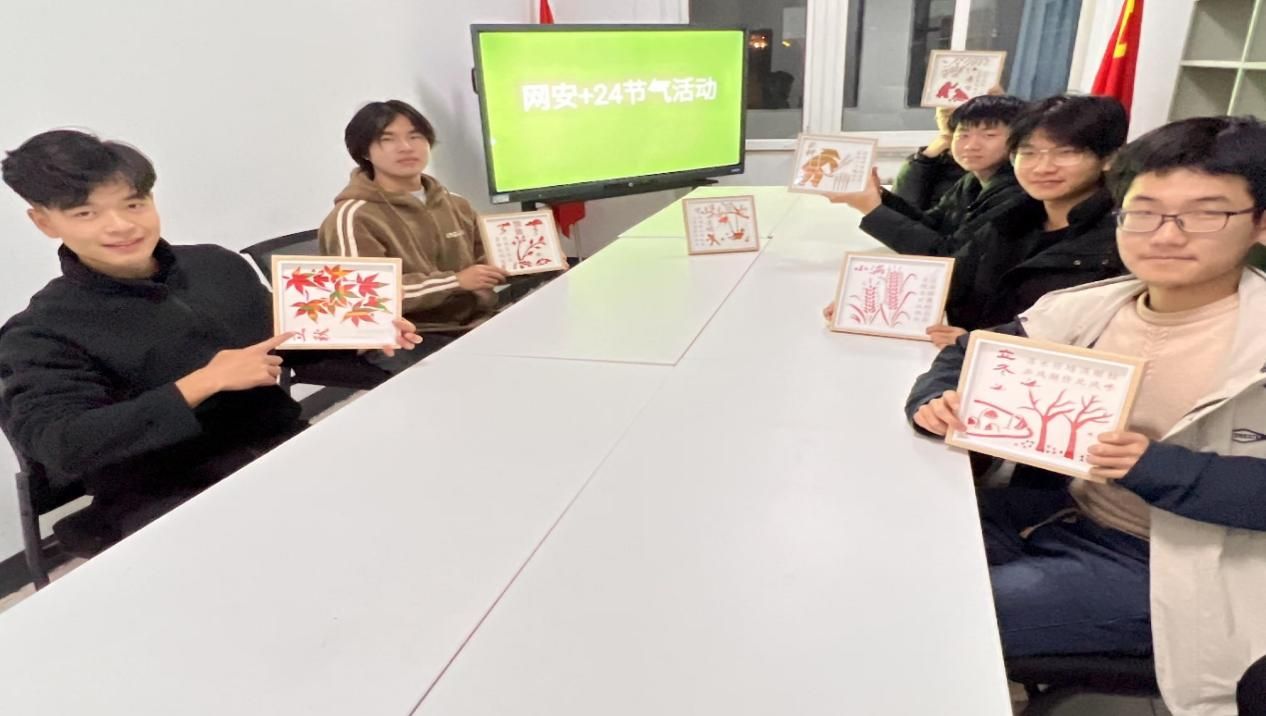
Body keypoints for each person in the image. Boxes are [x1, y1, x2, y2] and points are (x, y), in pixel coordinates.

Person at [906, 116, 1266, 715]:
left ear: (1260, 222)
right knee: (891, 549)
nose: (1166, 235)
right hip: (1067, 513)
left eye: (1205, 214)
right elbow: (966, 354)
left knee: (929, 612)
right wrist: (933, 402)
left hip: (1184, 569)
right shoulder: (1093, 307)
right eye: (1143, 212)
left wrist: (1155, 467)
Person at [0, 129, 420, 556]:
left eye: (134, 204)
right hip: (169, 496)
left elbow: (280, 340)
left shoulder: (214, 265)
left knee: (406, 504)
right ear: (45, 222)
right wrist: (202, 383)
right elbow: (61, 443)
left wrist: (360, 328)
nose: (122, 225)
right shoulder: (40, 331)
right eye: (86, 213)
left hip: (285, 449)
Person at [825, 95, 1129, 348]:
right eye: (1028, 153)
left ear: (1108, 158)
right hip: (959, 356)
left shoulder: (1122, 240)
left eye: (1066, 153)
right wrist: (872, 304)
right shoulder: (1015, 215)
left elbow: (1087, 343)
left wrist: (978, 343)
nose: (1042, 167)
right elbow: (957, 272)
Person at [318, 100, 506, 370]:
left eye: (415, 136)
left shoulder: (455, 203)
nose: (406, 147)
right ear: (365, 152)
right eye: (387, 139)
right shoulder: (353, 217)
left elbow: (486, 260)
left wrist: (529, 261)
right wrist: (455, 282)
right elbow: (365, 299)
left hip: (473, 321)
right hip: (406, 335)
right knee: (476, 378)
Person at [828, 94, 1029, 256]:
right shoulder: (972, 180)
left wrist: (871, 208)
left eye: (989, 135)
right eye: (963, 134)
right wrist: (879, 196)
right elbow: (934, 225)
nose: (970, 145)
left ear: (1020, 140)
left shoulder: (1017, 192)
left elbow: (950, 256)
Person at [890, 106, 967, 211]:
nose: (948, 119)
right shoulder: (925, 160)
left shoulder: (982, 161)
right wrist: (925, 157)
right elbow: (901, 210)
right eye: (944, 113)